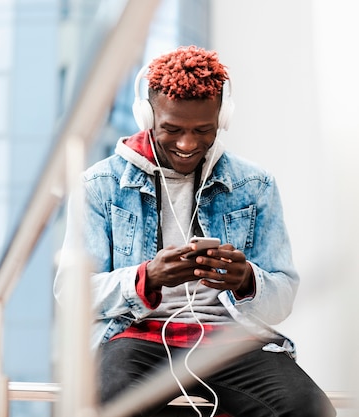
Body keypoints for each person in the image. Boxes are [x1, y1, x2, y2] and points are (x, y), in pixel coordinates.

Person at [53, 45, 335, 417]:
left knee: (311, 409)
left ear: (224, 117)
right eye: (172, 129)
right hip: (137, 334)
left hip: (228, 339)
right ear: (146, 116)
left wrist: (247, 280)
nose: (187, 144)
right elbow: (71, 294)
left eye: (204, 130)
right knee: (110, 403)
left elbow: (282, 297)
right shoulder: (99, 184)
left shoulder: (255, 184)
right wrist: (147, 278)